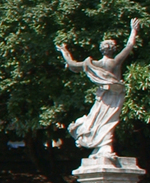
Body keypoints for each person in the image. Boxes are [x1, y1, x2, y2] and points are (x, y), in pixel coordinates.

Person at [58, 20, 140, 159]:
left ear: (102, 49)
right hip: (114, 95)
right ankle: (105, 147)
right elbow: (130, 45)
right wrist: (134, 30)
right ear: (113, 49)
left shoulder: (93, 63)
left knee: (98, 119)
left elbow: (72, 63)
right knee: (108, 120)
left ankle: (103, 147)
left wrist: (64, 51)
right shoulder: (115, 62)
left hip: (102, 96)